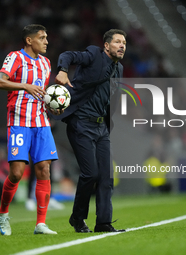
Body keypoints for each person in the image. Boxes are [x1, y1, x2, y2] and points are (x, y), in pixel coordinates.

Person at [54, 29, 127, 233]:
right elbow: (68, 55)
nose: (122, 46)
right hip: (81, 123)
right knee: (90, 174)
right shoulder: (93, 54)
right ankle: (78, 218)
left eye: (124, 43)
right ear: (106, 45)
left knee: (106, 176)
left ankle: (103, 222)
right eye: (118, 42)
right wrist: (62, 70)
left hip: (101, 127)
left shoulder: (118, 68)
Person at [0, 24, 61, 236]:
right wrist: (24, 86)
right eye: (42, 38)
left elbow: (41, 93)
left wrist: (53, 106)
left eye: (46, 37)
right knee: (16, 173)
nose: (46, 41)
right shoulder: (15, 57)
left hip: (41, 122)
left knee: (44, 169)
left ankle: (40, 224)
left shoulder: (46, 63)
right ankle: (3, 213)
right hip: (19, 123)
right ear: (29, 41)